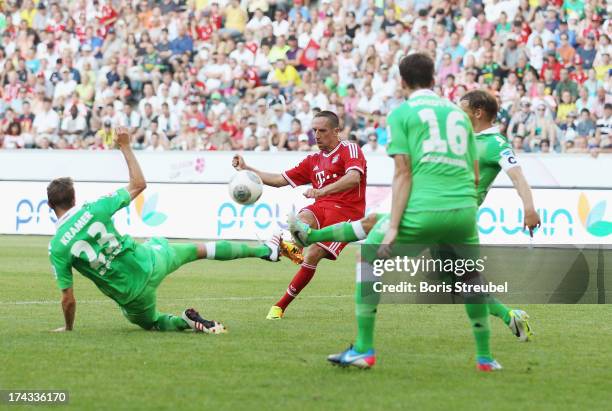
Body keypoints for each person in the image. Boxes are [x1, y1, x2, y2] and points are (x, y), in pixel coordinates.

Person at [289, 54, 538, 371]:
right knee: (467, 281)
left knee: (369, 255)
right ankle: (486, 357)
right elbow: (474, 174)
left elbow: (403, 173)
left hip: (425, 207)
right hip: (463, 213)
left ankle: (364, 348)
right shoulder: (457, 115)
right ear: (434, 78)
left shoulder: (403, 114)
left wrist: (396, 224)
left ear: (403, 82)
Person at [47, 128, 290, 333]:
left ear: (50, 205)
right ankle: (264, 250)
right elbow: (139, 185)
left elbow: (68, 299)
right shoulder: (95, 208)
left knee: (153, 322)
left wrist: (68, 328)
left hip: (132, 296)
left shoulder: (58, 245)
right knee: (196, 248)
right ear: (74, 198)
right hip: (152, 261)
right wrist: (125, 147)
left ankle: (184, 321)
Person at [232, 111, 367, 320]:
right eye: (314, 130)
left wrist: (322, 191)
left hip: (347, 212)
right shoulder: (313, 160)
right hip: (321, 206)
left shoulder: (349, 149)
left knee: (313, 254)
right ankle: (292, 247)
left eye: (322, 130)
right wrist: (247, 168)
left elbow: (354, 178)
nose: (317, 135)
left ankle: (280, 306)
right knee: (300, 219)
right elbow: (278, 179)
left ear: (336, 131)